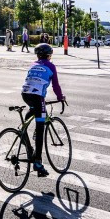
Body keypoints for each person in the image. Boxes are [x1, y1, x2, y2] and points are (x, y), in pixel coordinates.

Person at [20, 43, 66, 177]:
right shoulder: (51, 66)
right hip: (37, 96)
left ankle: (25, 141)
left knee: (32, 112)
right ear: (49, 55)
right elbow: (55, 85)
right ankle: (38, 163)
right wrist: (60, 97)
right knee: (40, 129)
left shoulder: (33, 64)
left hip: (25, 94)